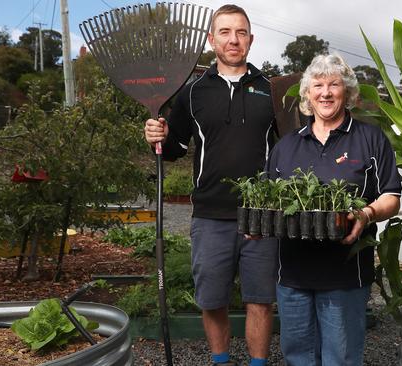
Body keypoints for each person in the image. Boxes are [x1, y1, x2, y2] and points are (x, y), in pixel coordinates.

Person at [144, 5, 277, 366]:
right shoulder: (192, 93)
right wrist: (157, 135)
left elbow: (286, 152)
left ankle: (258, 363)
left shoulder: (271, 91)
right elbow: (173, 149)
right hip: (210, 214)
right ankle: (220, 361)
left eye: (241, 32)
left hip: (261, 217)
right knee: (212, 299)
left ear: (251, 39)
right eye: (225, 31)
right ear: (211, 39)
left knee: (260, 299)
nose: (233, 39)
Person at [265, 53, 402, 366]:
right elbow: (269, 201)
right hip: (293, 275)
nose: (325, 92)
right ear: (307, 94)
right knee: (298, 356)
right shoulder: (286, 146)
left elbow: (391, 196)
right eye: (317, 85)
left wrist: (366, 213)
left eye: (333, 85)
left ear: (348, 93)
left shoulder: (370, 139)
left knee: (340, 358)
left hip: (345, 275)